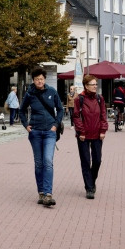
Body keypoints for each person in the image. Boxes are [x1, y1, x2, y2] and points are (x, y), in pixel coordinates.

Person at [21, 68, 64, 206]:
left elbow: (61, 109)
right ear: (33, 80)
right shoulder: (30, 94)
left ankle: (48, 194)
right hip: (35, 132)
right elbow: (21, 110)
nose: (39, 81)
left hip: (50, 132)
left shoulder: (52, 91)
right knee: (39, 163)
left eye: (41, 79)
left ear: (44, 79)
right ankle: (41, 192)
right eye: (37, 79)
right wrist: (26, 126)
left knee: (48, 161)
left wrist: (56, 125)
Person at [71, 74, 107, 199]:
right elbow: (76, 116)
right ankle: (89, 188)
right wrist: (81, 132)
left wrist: (103, 130)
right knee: (86, 161)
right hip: (83, 136)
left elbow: (103, 115)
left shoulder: (99, 99)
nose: (95, 86)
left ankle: (91, 180)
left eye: (96, 84)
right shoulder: (79, 99)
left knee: (97, 161)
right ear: (86, 86)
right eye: (93, 84)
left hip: (97, 134)